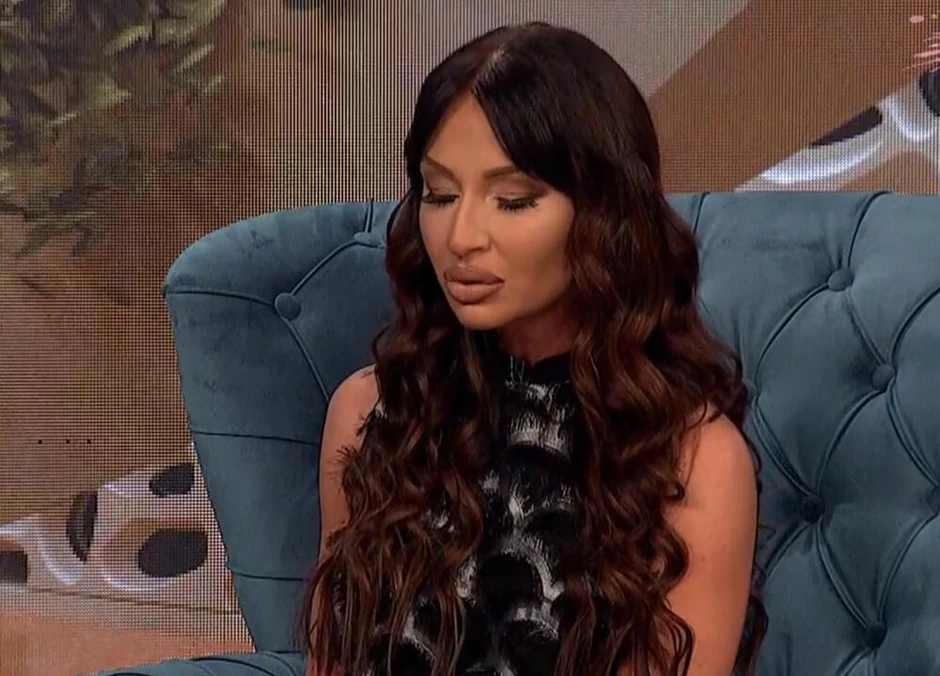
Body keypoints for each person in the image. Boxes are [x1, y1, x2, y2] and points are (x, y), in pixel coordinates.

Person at [297, 21, 767, 676]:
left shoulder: (693, 461)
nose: (461, 236)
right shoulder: (373, 413)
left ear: (603, 214)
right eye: (439, 194)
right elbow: (332, 661)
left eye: (512, 200)